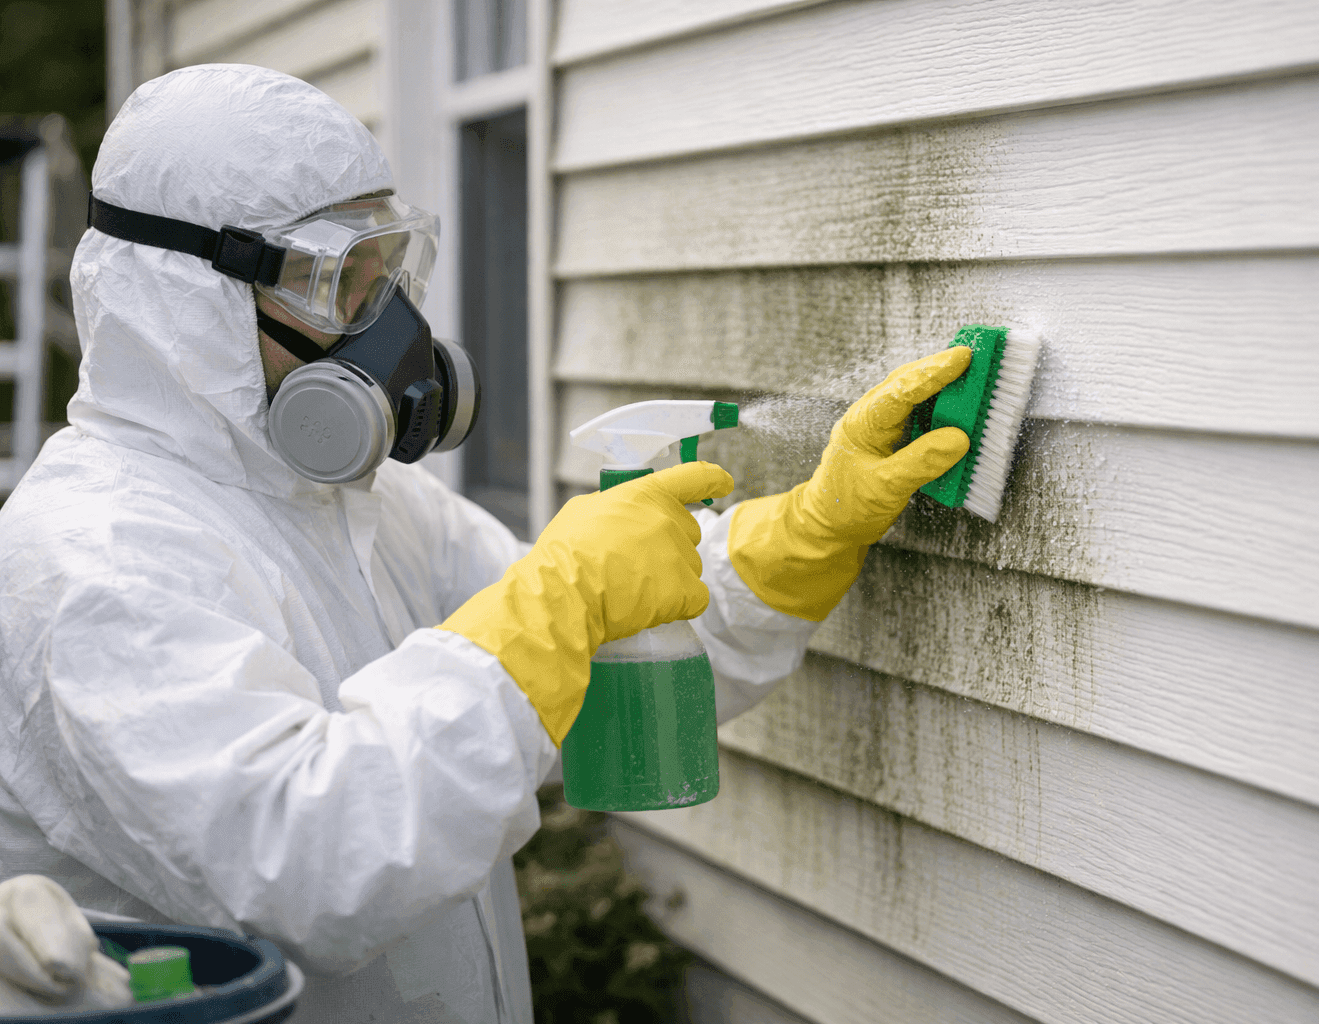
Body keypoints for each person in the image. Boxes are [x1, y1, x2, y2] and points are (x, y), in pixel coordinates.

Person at [0, 65, 972, 1023]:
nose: (388, 334)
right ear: (180, 301)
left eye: (388, 271)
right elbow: (316, 858)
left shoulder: (364, 508)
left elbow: (599, 667)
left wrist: (804, 533)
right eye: (336, 282)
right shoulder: (91, 558)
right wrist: (552, 601)